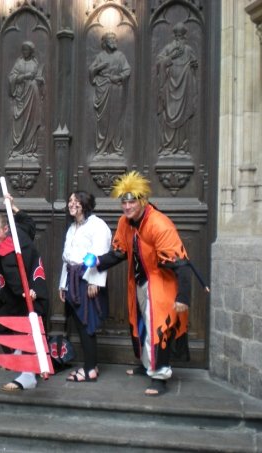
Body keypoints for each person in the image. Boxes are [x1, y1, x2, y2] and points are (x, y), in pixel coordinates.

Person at [97, 171, 191, 396]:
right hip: (139, 282)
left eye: (131, 202)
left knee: (158, 326)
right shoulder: (125, 222)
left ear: (142, 201)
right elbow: (119, 253)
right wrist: (94, 263)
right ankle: (148, 364)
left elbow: (181, 265)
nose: (127, 206)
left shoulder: (159, 224)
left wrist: (183, 297)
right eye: (124, 202)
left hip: (160, 283)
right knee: (142, 324)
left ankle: (159, 376)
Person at [0, 195, 48, 391]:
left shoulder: (7, 250)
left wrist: (26, 292)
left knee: (13, 328)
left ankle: (26, 374)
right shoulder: (19, 232)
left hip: (24, 295)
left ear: (5, 229)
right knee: (20, 330)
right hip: (31, 292)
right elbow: (29, 222)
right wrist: (13, 208)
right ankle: (19, 360)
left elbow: (14, 279)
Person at [59, 191, 111, 383]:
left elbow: (100, 254)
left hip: (87, 280)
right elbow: (67, 259)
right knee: (80, 325)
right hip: (72, 280)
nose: (71, 204)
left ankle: (90, 370)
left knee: (87, 324)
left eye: (75, 201)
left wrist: (94, 281)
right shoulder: (73, 227)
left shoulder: (97, 225)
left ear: (85, 203)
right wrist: (63, 284)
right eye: (70, 200)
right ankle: (91, 365)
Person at [156, 22, 198, 157]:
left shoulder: (189, 50)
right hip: (170, 87)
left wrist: (193, 64)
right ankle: (168, 147)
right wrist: (171, 57)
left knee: (184, 116)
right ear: (175, 37)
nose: (179, 40)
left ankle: (181, 147)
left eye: (182, 37)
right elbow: (159, 63)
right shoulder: (168, 49)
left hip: (185, 87)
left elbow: (194, 63)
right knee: (169, 114)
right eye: (177, 37)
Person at [88, 32, 131, 157]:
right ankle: (102, 148)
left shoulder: (120, 56)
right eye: (111, 39)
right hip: (103, 88)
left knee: (116, 118)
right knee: (103, 119)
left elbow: (127, 70)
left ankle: (116, 147)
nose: (114, 41)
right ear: (105, 42)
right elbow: (91, 70)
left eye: (115, 39)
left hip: (116, 89)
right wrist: (98, 67)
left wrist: (119, 77)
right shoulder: (100, 56)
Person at [8, 41, 44, 159]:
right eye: (23, 50)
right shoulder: (19, 63)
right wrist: (24, 76)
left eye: (27, 50)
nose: (25, 52)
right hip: (21, 96)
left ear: (31, 51)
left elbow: (38, 76)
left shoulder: (35, 63)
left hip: (32, 95)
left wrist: (39, 80)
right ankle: (17, 148)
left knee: (31, 121)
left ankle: (29, 148)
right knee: (19, 122)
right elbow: (12, 77)